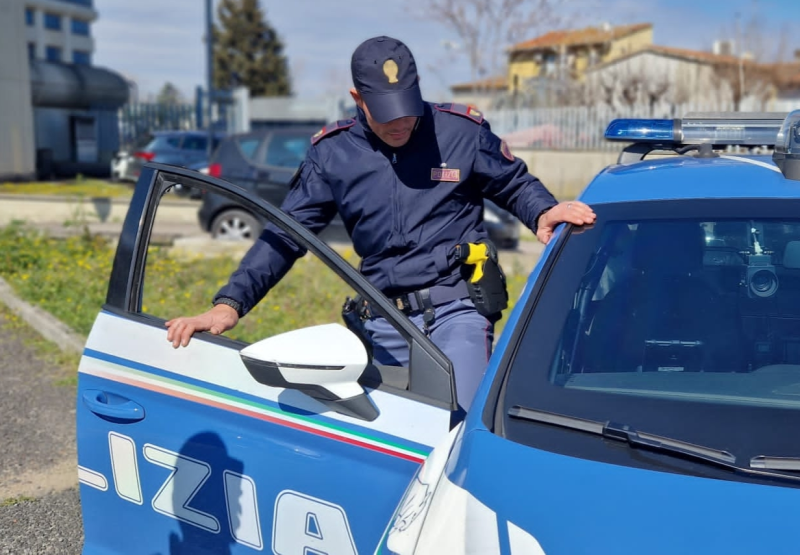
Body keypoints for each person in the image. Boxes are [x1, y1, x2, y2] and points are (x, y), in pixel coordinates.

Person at [166, 36, 595, 409]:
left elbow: (513, 184)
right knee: (396, 440)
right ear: (357, 98)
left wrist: (542, 210)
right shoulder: (332, 154)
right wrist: (230, 304)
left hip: (456, 308)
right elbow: (287, 235)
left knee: (457, 427)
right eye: (385, 113)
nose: (400, 123)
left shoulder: (459, 132)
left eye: (407, 109)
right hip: (384, 318)